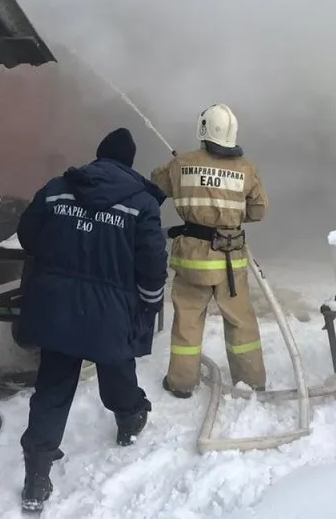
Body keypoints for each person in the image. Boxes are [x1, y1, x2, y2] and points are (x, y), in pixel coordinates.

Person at [14, 127, 168, 514]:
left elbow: (27, 234)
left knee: (52, 386)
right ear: (128, 164)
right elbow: (151, 265)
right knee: (117, 367)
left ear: (99, 156)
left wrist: (62, 257)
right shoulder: (141, 204)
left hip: (57, 308)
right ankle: (130, 418)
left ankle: (37, 474)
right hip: (110, 311)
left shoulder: (58, 188)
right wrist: (150, 302)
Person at [151, 104, 269, 399]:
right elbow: (259, 210)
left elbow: (156, 182)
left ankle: (181, 383)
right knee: (240, 321)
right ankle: (251, 379)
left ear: (203, 129)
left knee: (188, 320)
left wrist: (179, 166)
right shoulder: (246, 169)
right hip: (229, 259)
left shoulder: (181, 164)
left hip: (192, 257)